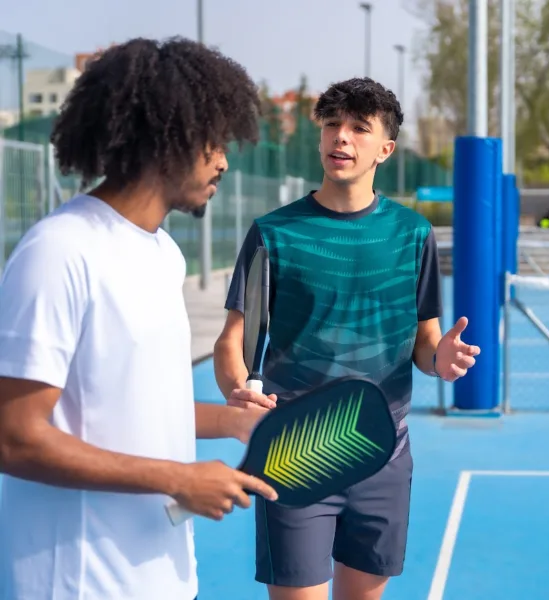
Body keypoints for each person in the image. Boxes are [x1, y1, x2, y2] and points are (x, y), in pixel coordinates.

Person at [0, 37, 279, 600]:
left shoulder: (162, 252)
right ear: (163, 138)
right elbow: (13, 437)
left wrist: (233, 422)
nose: (224, 159)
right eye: (212, 140)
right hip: (77, 585)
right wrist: (179, 478)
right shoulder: (59, 251)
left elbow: (134, 403)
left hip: (165, 578)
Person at [213, 77, 481, 600]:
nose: (342, 137)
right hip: (296, 451)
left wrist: (440, 358)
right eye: (332, 125)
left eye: (359, 128)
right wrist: (236, 389)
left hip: (384, 451)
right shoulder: (273, 233)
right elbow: (233, 338)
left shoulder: (413, 234)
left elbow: (424, 341)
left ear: (385, 148)